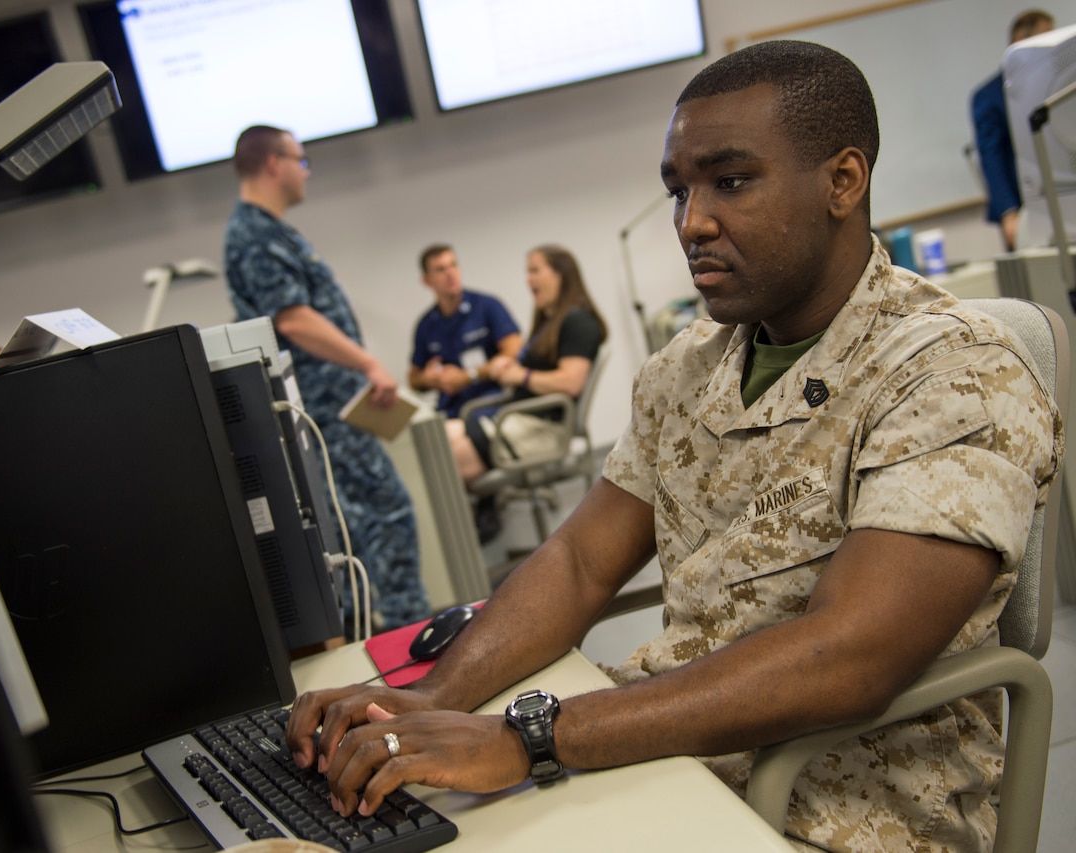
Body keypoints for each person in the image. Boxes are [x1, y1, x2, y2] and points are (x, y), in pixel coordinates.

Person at [285, 41, 1062, 853]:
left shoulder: (953, 370)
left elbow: (852, 654)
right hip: (660, 754)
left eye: (730, 181)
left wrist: (530, 737)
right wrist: (435, 697)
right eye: (678, 190)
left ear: (843, 181)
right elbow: (583, 560)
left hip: (842, 809)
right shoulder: (687, 369)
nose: (692, 221)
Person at [223, 124, 430, 632]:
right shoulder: (254, 236)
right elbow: (292, 318)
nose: (305, 170)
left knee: (349, 530)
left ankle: (370, 638)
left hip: (332, 407)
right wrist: (366, 362)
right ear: (274, 163)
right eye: (301, 159)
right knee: (386, 513)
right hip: (325, 410)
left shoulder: (269, 231)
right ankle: (413, 643)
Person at [449, 245, 606, 485]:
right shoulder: (549, 323)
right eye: (527, 272)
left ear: (560, 275)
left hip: (539, 429)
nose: (528, 279)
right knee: (441, 437)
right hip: (517, 419)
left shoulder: (578, 321)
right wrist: (509, 367)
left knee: (443, 462)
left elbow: (571, 382)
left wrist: (520, 376)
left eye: (535, 271)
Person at [971, 9, 1055, 251]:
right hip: (1024, 209)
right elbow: (991, 155)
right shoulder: (990, 96)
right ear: (1022, 44)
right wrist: (1009, 213)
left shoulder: (1059, 85)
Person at [408, 244, 522, 420]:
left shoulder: (487, 307)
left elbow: (514, 351)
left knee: (466, 426)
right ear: (427, 281)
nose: (450, 274)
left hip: (492, 397)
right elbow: (413, 377)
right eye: (440, 270)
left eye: (453, 265)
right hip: (451, 403)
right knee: (427, 430)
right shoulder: (426, 325)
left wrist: (469, 376)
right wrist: (428, 379)